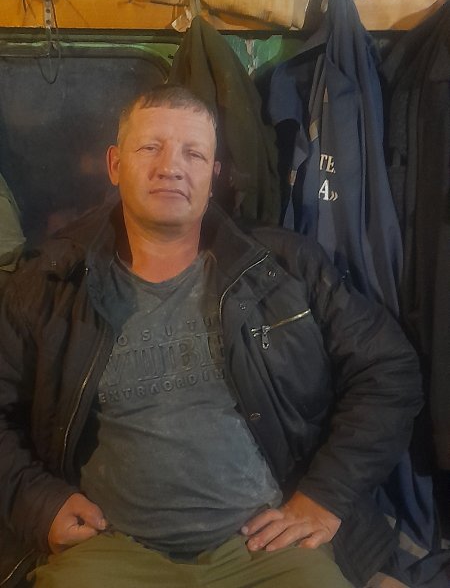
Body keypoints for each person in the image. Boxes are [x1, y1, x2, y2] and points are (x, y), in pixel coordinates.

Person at [0, 84, 422, 588]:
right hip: (108, 549)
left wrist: (325, 495)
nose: (171, 167)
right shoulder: (50, 283)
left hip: (268, 546)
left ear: (213, 174)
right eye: (150, 147)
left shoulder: (284, 268)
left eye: (193, 153)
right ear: (115, 164)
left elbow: (388, 370)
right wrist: (36, 501)